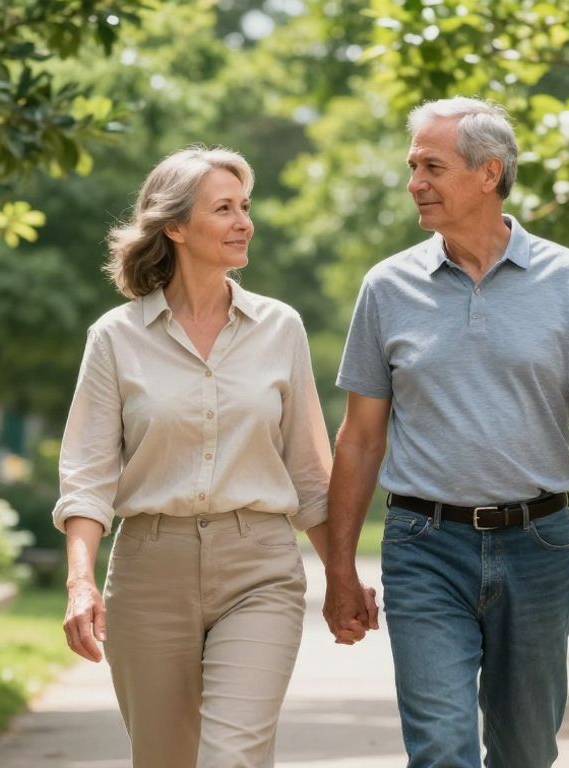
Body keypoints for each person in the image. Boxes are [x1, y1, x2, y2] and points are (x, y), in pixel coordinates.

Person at [323, 98, 569, 767]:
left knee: (525, 752)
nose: (414, 182)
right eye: (412, 166)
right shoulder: (387, 287)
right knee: (442, 747)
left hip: (539, 542)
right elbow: (359, 439)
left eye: (431, 166)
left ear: (488, 173)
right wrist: (340, 567)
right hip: (423, 544)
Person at [54, 146, 377, 768]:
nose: (244, 222)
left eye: (245, 207)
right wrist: (79, 582)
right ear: (175, 227)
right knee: (165, 759)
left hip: (258, 566)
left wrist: (341, 574)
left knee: (232, 755)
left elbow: (310, 472)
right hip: (150, 571)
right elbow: (88, 477)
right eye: (223, 209)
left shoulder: (280, 328)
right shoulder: (115, 338)